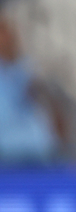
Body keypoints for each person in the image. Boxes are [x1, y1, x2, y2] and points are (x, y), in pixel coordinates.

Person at [0, 14, 63, 164]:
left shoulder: (29, 68)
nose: (5, 38)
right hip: (7, 157)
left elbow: (54, 112)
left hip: (40, 154)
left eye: (6, 32)